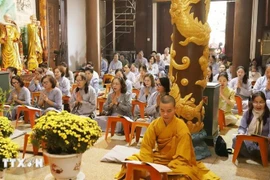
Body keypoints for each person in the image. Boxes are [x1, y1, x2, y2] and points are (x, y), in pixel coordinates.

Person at [115, 95, 220, 180]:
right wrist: (148, 167)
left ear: (175, 109)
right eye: (162, 110)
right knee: (131, 162)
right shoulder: (155, 124)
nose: (165, 114)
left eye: (169, 111)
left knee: (183, 176)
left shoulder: (181, 127)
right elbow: (146, 148)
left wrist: (166, 171)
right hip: (158, 159)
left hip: (176, 163)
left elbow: (183, 156)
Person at [232, 92, 270, 159]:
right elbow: (242, 127)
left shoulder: (268, 114)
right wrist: (241, 133)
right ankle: (259, 156)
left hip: (265, 143)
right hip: (250, 141)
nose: (258, 105)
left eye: (261, 102)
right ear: (252, 102)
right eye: (256, 102)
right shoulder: (248, 113)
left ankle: (253, 155)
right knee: (235, 139)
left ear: (265, 102)